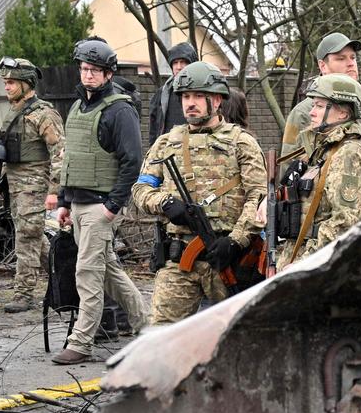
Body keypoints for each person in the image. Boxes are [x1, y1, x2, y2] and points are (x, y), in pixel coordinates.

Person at [133, 61, 266, 324]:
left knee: (235, 334)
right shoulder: (166, 143)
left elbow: (259, 198)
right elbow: (140, 190)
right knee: (161, 334)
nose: (189, 103)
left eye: (197, 96)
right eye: (185, 96)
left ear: (216, 100)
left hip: (226, 257)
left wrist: (236, 240)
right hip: (178, 258)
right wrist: (165, 202)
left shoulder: (241, 142)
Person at [52, 39, 148, 364]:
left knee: (87, 272)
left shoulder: (120, 111)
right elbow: (72, 159)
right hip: (78, 204)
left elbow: (132, 161)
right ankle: (147, 326)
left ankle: (81, 342)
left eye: (94, 70)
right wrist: (64, 201)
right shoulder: (78, 107)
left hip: (101, 206)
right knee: (108, 271)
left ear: (108, 74)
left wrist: (113, 205)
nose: (87, 75)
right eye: (83, 69)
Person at [276, 74, 361, 266]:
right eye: (314, 105)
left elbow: (345, 223)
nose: (312, 112)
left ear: (343, 114)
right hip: (302, 257)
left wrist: (306, 262)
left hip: (321, 265)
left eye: (320, 106)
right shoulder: (320, 151)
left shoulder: (348, 154)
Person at [0, 57, 64, 313]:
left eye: (11, 82)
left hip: (34, 185)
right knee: (34, 238)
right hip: (15, 184)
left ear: (26, 83)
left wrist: (55, 191)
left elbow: (60, 153)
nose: (7, 87)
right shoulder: (15, 112)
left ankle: (24, 293)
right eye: (5, 82)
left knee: (27, 238)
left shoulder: (43, 114)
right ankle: (65, 279)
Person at [280, 32, 361, 174]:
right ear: (323, 66)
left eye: (353, 57)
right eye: (341, 58)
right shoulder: (303, 112)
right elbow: (288, 168)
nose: (351, 63)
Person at [148, 42, 199, 146]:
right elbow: (153, 128)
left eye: (183, 62)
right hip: (167, 150)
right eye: (175, 63)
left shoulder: (204, 92)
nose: (179, 67)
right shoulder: (163, 93)